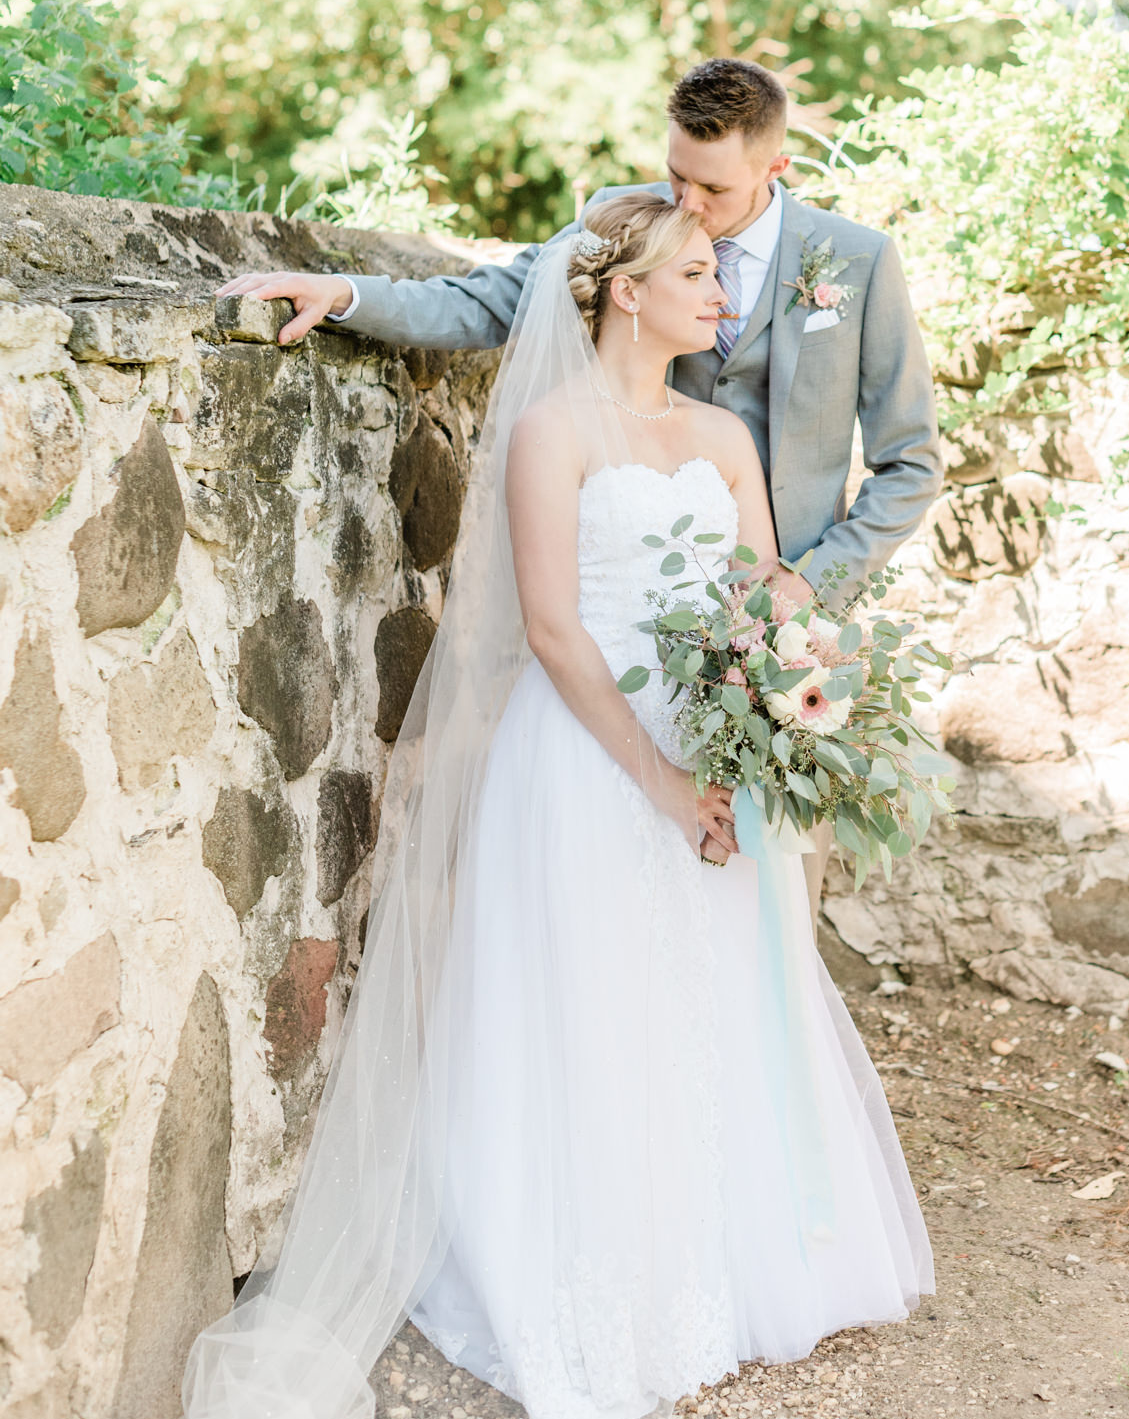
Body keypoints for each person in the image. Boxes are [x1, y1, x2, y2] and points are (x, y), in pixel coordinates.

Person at [30, 189, 934, 1419]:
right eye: (698, 274)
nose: (725, 295)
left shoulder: (723, 437)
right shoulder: (551, 433)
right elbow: (560, 634)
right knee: (588, 1008)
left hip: (715, 757)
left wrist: (795, 707)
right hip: (588, 768)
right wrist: (654, 778)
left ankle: (726, 1255)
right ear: (625, 292)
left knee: (702, 1001)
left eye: (721, 274)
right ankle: (581, 1276)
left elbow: (764, 592)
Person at [219, 57, 943, 927]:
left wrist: (809, 586)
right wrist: (347, 293)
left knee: (767, 913)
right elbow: (486, 300)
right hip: (629, 638)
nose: (687, 202)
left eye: (710, 186)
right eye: (674, 171)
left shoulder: (856, 263)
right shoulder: (627, 224)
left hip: (780, 655)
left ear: (774, 169)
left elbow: (911, 463)